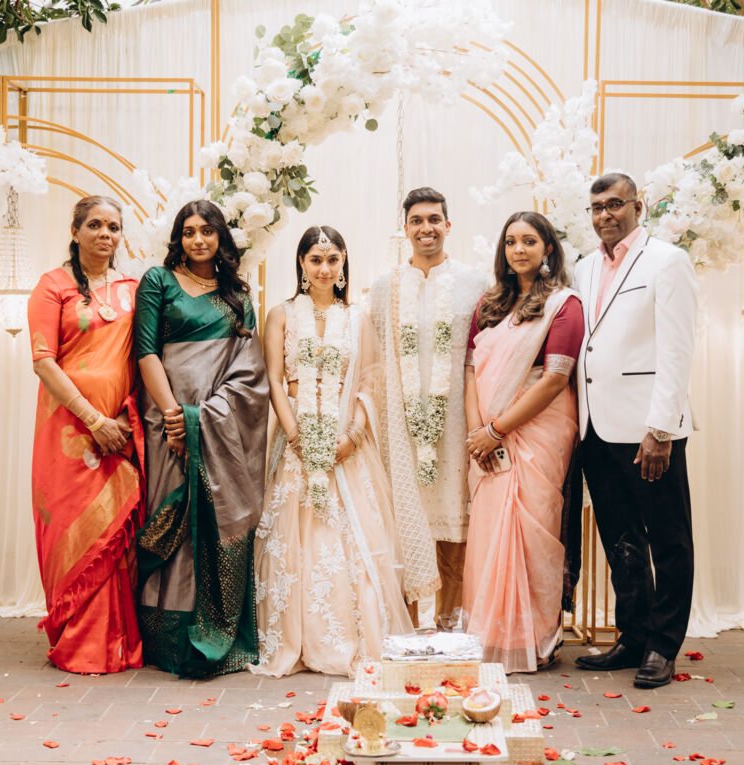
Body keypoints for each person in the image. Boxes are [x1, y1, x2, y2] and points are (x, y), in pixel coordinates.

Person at [252, 226, 414, 677]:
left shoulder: (357, 318)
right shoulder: (281, 314)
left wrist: (352, 436)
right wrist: (297, 438)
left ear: (343, 264)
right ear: (301, 264)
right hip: (296, 440)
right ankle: (299, 639)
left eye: (332, 259)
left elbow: (369, 382)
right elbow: (274, 381)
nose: (324, 268)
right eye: (315, 260)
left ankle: (351, 636)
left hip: (345, 443)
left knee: (350, 538)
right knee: (297, 537)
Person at [572, 171, 698, 689]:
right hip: (596, 428)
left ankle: (663, 646)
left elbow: (677, 349)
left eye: (615, 204)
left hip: (649, 430)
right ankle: (632, 635)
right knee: (620, 540)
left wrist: (661, 429)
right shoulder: (583, 267)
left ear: (638, 207)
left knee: (668, 540)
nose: (605, 214)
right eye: (597, 207)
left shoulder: (667, 261)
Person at [133, 200, 269, 678]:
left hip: (219, 426)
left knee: (216, 515)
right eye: (189, 231)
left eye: (207, 231)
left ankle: (215, 626)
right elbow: (146, 352)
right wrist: (176, 418)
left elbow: (250, 373)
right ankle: (166, 637)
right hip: (166, 421)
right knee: (171, 515)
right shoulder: (159, 281)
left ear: (221, 238)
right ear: (178, 238)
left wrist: (202, 420)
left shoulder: (237, 295)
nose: (198, 240)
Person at [462, 212, 585, 673]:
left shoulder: (563, 304)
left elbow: (554, 380)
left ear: (548, 248)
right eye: (511, 241)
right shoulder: (490, 303)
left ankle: (534, 638)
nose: (519, 249)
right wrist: (478, 434)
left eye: (529, 241)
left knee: (534, 531)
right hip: (486, 435)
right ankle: (493, 634)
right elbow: (471, 371)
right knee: (490, 531)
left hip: (538, 431)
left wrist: (496, 430)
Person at [28, 195, 144, 674]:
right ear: (74, 231)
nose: (105, 234)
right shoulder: (52, 286)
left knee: (113, 534)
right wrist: (93, 420)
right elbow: (43, 362)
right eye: (94, 225)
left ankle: (117, 642)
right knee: (74, 531)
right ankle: (78, 641)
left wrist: (124, 418)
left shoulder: (134, 289)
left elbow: (145, 357)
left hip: (121, 428)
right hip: (69, 434)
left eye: (113, 226)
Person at [367, 187, 490, 626]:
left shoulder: (476, 284)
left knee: (455, 525)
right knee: (403, 522)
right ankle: (405, 627)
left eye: (434, 219)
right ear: (405, 229)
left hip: (455, 421)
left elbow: (484, 354)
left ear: (448, 225)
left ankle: (448, 622)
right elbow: (373, 358)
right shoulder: (383, 288)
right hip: (399, 424)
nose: (426, 228)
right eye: (417, 220)